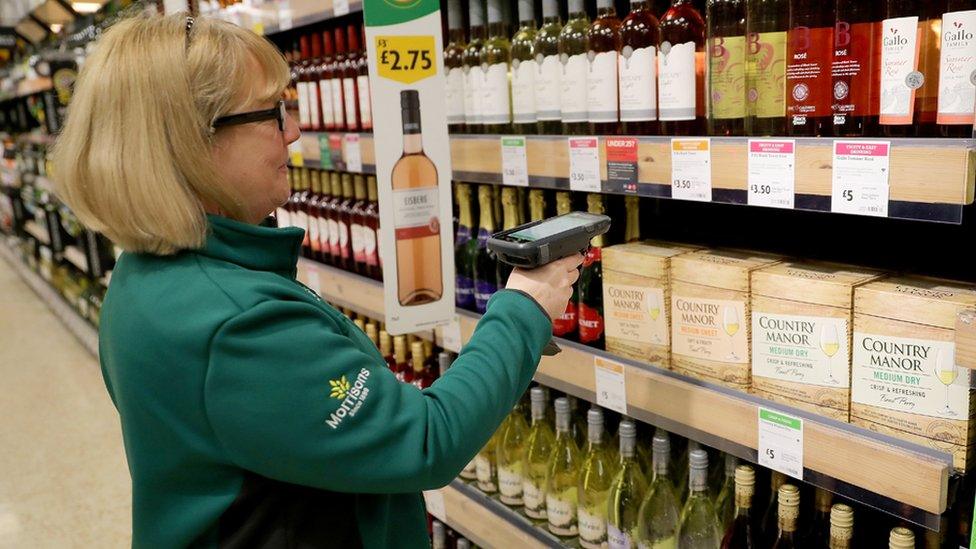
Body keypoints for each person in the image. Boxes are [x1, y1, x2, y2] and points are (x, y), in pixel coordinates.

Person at [51, 12, 581, 549]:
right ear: (193, 141)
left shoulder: (147, 272)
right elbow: (425, 440)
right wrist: (525, 305)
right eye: (273, 112)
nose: (296, 130)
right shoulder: (233, 323)